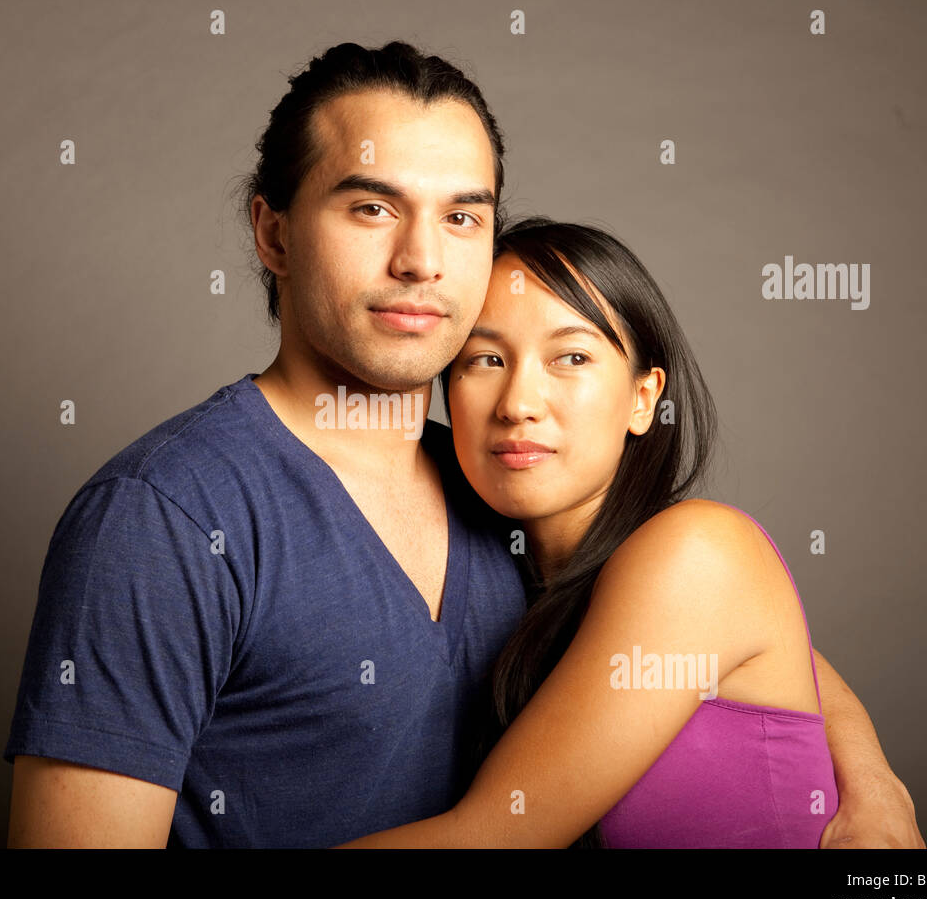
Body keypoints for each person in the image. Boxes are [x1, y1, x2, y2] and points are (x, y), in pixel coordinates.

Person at [3, 41, 923, 848]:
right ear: (273, 233)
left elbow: (735, 639)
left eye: (462, 216)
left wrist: (873, 785)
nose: (423, 260)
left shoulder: (505, 488)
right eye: (372, 208)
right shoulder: (164, 520)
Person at [339, 218, 852, 847]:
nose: (518, 404)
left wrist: (877, 786)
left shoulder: (699, 551)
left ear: (644, 398)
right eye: (487, 359)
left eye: (572, 357)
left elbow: (490, 839)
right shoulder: (498, 571)